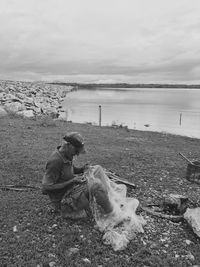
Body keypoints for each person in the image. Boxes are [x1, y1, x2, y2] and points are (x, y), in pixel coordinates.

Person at [42, 132, 90, 219]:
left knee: (95, 182)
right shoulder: (55, 161)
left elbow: (70, 170)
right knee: (94, 186)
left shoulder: (67, 155)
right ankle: (67, 210)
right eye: (76, 151)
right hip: (62, 198)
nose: (77, 154)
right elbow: (46, 187)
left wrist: (82, 169)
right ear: (68, 145)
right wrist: (72, 181)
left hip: (70, 190)